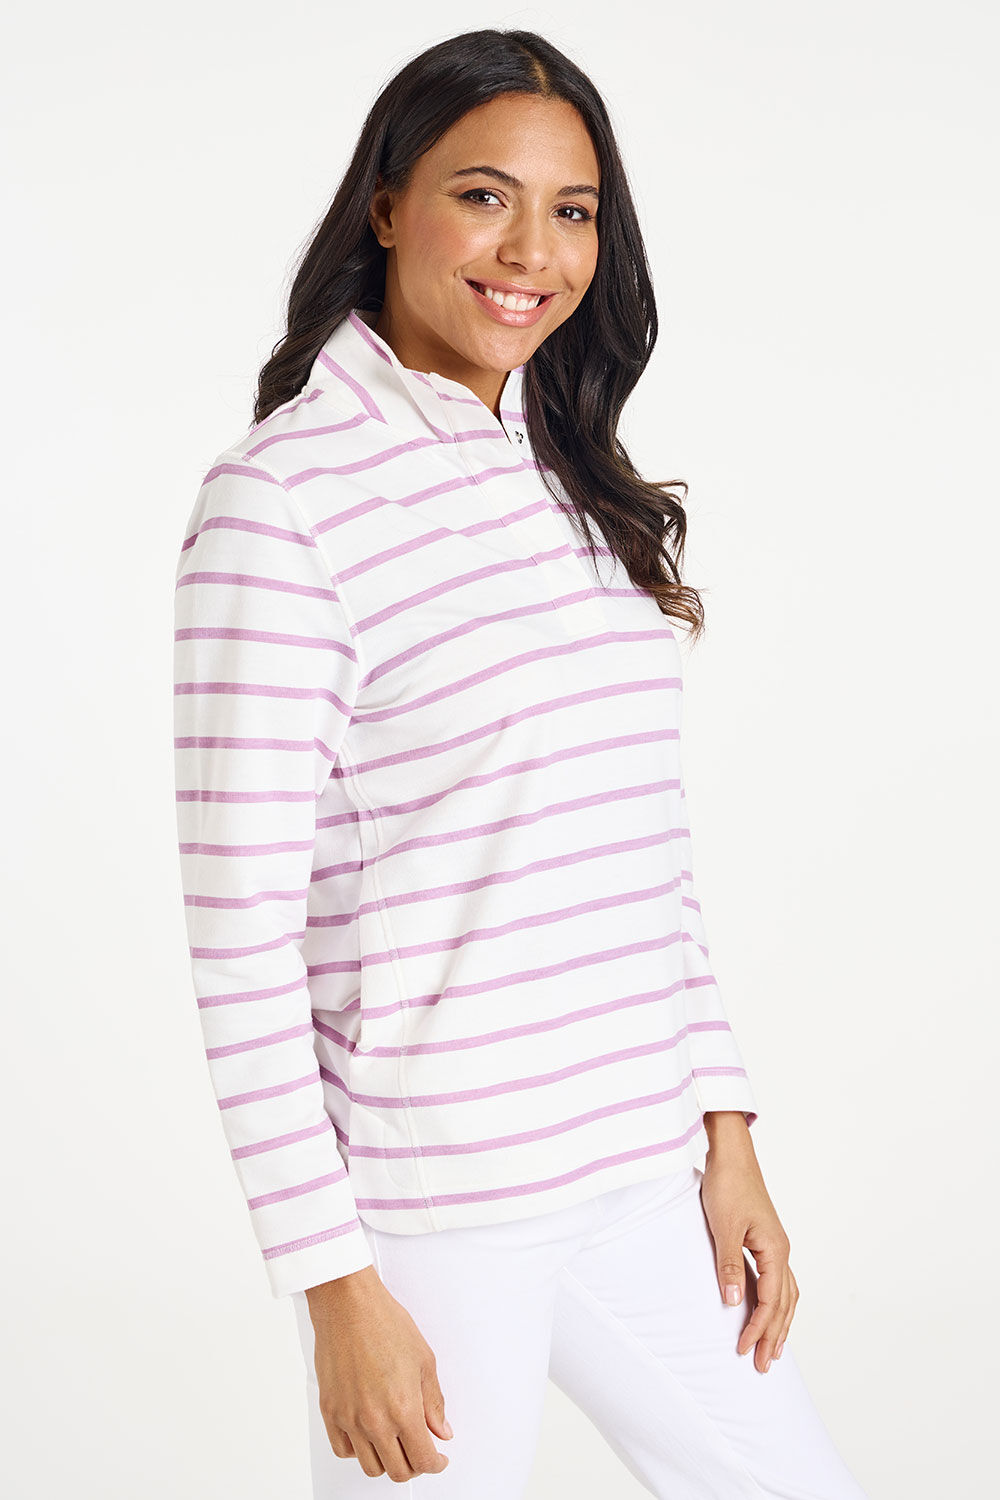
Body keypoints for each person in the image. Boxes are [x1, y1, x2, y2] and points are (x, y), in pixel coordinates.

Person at [172, 27, 871, 1500]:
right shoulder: (283, 499)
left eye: (573, 211)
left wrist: (724, 1129)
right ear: (386, 206)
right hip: (436, 1211)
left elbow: (639, 845)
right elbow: (239, 940)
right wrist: (335, 1285)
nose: (532, 253)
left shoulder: (561, 471)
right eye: (483, 196)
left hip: (638, 1172)